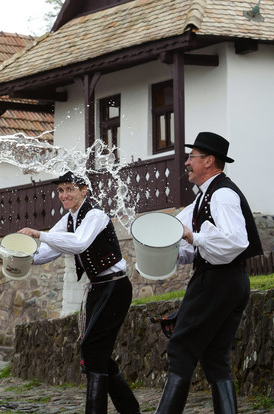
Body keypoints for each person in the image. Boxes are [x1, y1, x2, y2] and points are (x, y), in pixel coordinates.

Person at [154, 132, 262, 414]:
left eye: (192, 157)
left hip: (217, 281)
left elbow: (236, 242)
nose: (187, 162)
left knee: (180, 349)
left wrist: (195, 239)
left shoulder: (223, 194)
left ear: (210, 161)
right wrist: (177, 251)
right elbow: (199, 244)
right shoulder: (205, 197)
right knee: (215, 358)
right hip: (227, 281)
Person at [18, 171, 139, 414]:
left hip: (115, 286)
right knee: (98, 353)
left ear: (85, 190)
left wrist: (39, 233)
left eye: (70, 189)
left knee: (92, 348)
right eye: (61, 190)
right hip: (97, 288)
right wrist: (21, 257)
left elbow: (79, 243)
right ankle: (131, 410)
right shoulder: (68, 219)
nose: (64, 195)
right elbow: (47, 252)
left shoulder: (95, 215)